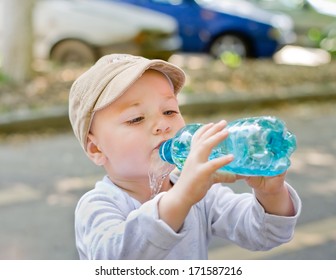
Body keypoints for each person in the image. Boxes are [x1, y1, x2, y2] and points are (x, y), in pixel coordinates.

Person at [69, 53, 301, 260]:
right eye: (136, 118)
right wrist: (181, 198)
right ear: (96, 149)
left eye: (169, 111)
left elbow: (265, 235)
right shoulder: (98, 205)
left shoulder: (198, 190)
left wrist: (270, 193)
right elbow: (115, 258)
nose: (162, 125)